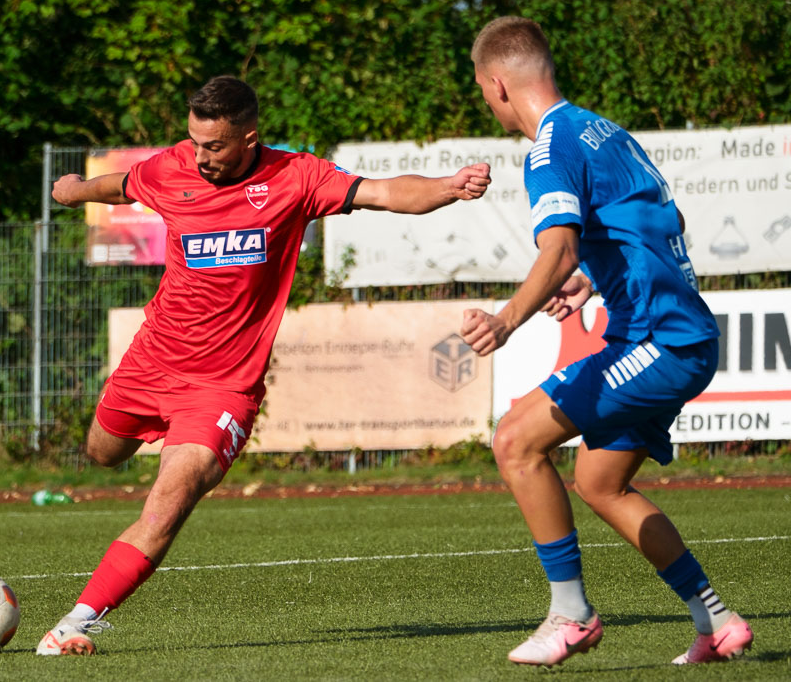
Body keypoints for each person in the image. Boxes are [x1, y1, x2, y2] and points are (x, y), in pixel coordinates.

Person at [37, 75, 492, 656]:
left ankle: (75, 623)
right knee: (101, 453)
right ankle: (141, 448)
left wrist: (448, 187)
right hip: (152, 360)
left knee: (168, 503)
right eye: (195, 142)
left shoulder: (295, 178)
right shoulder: (171, 167)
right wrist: (73, 191)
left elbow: (384, 192)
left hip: (222, 388)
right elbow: (121, 186)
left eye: (216, 147)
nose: (201, 158)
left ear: (249, 138)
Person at [462, 16, 754, 668]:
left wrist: (508, 319)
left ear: (499, 85)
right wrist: (593, 277)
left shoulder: (548, 148)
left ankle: (572, 613)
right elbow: (659, 219)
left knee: (514, 438)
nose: (488, 102)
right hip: (677, 335)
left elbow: (559, 242)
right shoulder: (605, 131)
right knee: (599, 479)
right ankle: (717, 619)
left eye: (483, 90)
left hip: (661, 339)